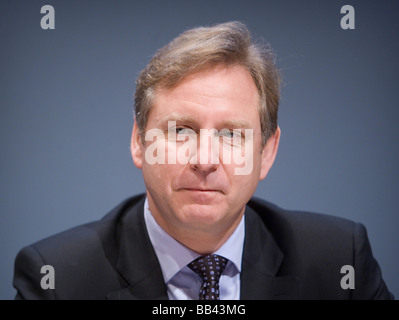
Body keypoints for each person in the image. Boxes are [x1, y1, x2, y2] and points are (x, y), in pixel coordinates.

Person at [13, 21, 394, 300]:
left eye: (231, 135)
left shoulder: (340, 263)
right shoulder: (57, 279)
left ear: (267, 153)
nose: (205, 159)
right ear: (138, 142)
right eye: (181, 131)